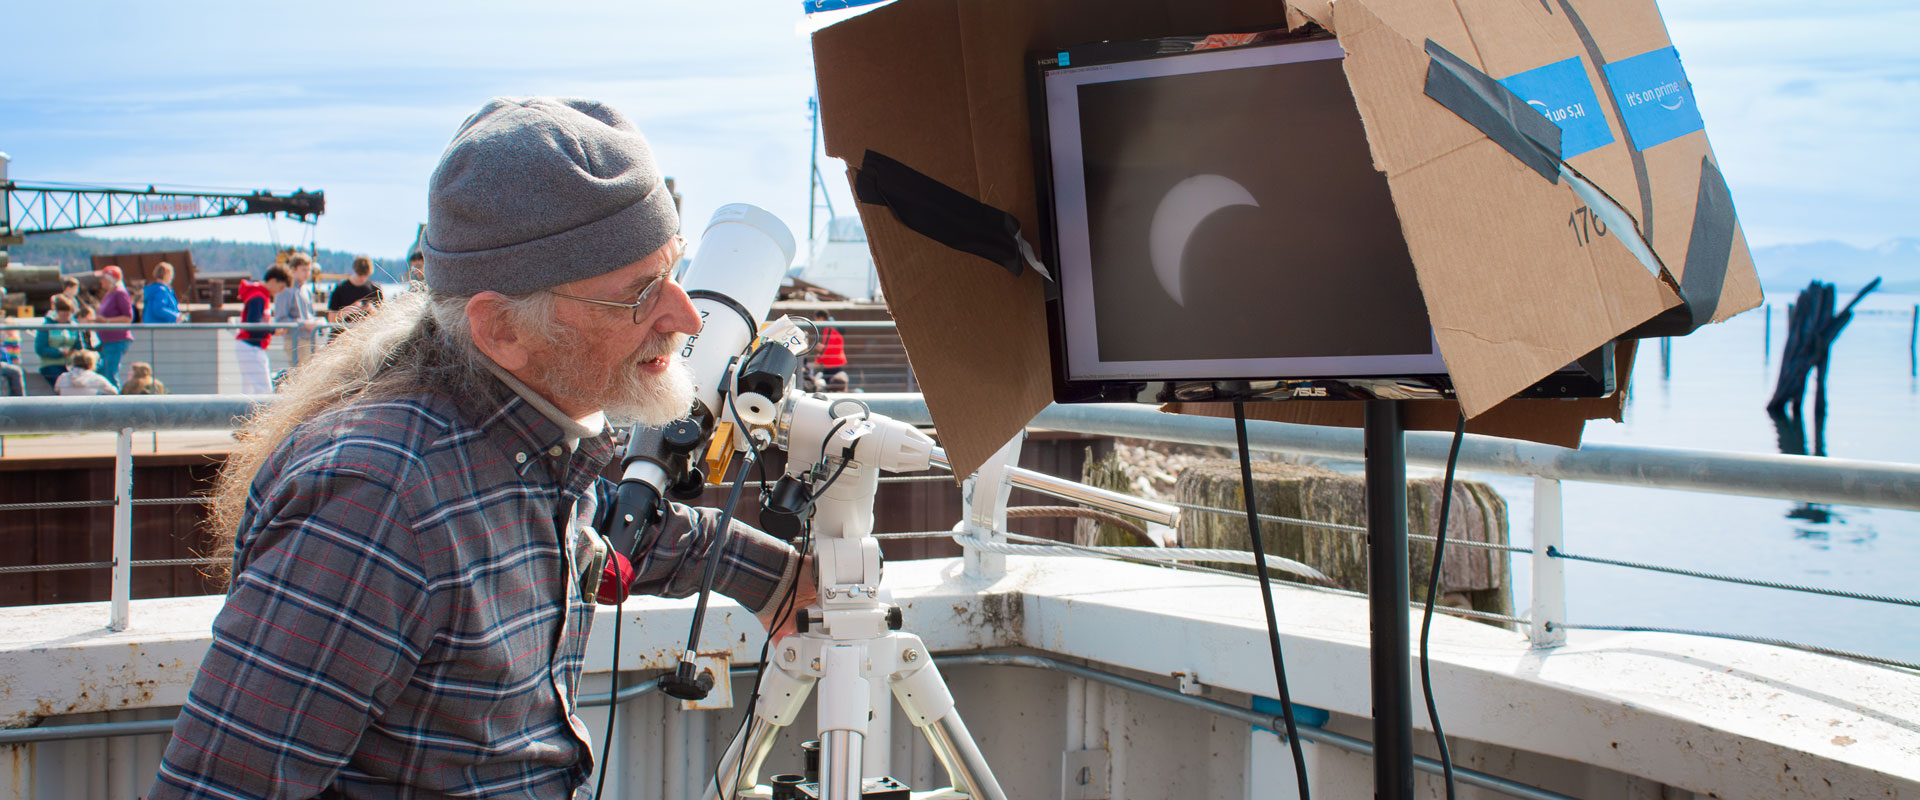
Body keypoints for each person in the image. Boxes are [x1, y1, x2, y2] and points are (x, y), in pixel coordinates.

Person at [149, 97, 813, 800]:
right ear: (502, 328)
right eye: (641, 295)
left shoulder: (525, 432)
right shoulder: (378, 501)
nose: (684, 317)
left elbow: (612, 532)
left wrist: (777, 579)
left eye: (674, 272)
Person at [232, 266, 289, 395]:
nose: (280, 292)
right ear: (273, 281)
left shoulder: (258, 294)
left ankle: (247, 414)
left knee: (249, 389)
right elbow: (254, 325)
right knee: (264, 390)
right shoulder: (259, 297)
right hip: (252, 346)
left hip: (248, 345)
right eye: (281, 287)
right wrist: (273, 331)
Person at [90, 265, 135, 388]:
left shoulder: (120, 293)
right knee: (103, 371)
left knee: (110, 373)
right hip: (107, 340)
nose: (101, 281)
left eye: (103, 278)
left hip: (116, 340)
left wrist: (106, 321)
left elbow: (128, 317)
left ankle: (115, 400)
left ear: (111, 279)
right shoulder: (110, 293)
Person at [271, 252, 319, 363]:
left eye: (309, 270)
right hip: (295, 341)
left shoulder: (306, 290)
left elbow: (311, 314)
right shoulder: (286, 290)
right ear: (293, 269)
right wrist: (305, 324)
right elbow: (281, 318)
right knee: (299, 375)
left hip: (309, 340)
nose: (307, 273)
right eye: (303, 270)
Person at [34, 295, 84, 388]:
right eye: (63, 315)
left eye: (68, 315)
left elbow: (80, 346)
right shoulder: (46, 327)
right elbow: (40, 349)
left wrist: (73, 352)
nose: (65, 318)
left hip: (71, 365)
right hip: (51, 365)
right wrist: (59, 352)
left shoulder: (73, 327)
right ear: (56, 313)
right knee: (65, 384)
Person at [326, 255, 385, 332]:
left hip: (367, 334)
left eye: (365, 275)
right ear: (354, 271)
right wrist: (350, 309)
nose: (362, 278)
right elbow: (331, 320)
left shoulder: (375, 290)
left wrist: (372, 310)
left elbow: (383, 319)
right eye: (360, 275)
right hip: (343, 334)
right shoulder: (340, 289)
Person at [811, 310, 851, 392]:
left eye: (817, 319)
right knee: (838, 385)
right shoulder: (833, 326)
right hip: (836, 361)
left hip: (832, 362)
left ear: (821, 318)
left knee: (831, 387)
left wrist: (818, 359)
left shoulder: (829, 328)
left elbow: (827, 348)